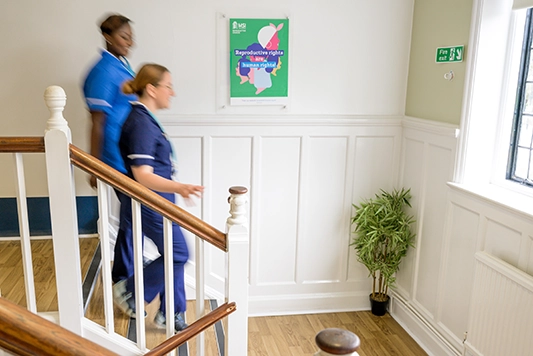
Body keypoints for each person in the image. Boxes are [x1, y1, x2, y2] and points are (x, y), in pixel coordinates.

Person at [113, 63, 204, 332]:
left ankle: (171, 313)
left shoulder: (146, 120)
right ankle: (131, 291)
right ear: (151, 89)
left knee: (172, 255)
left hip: (161, 202)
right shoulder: (141, 123)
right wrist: (180, 187)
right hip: (150, 202)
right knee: (178, 253)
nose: (172, 93)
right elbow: (142, 175)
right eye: (168, 86)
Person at [82, 14, 159, 286]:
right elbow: (98, 122)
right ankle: (122, 278)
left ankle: (123, 275)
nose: (130, 42)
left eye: (131, 36)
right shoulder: (102, 73)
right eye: (124, 37)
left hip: (130, 153)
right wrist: (94, 165)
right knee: (132, 217)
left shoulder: (121, 66)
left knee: (132, 215)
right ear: (108, 37)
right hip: (117, 158)